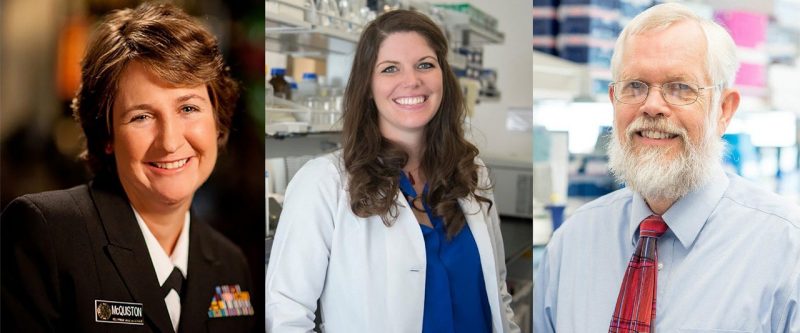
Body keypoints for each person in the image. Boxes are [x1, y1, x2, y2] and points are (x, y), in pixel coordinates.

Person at [534, 3, 800, 332]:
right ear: (614, 100)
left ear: (724, 110)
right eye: (635, 86)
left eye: (680, 87)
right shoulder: (571, 244)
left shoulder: (788, 251)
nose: (652, 106)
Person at [1, 3, 256, 332]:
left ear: (217, 121)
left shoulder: (231, 265)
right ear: (107, 134)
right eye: (142, 116)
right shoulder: (47, 235)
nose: (169, 141)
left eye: (189, 108)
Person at [266, 9, 520, 333]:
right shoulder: (324, 183)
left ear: (444, 76)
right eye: (390, 69)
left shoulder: (471, 173)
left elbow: (497, 291)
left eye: (425, 64)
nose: (411, 80)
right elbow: (285, 317)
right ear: (367, 86)